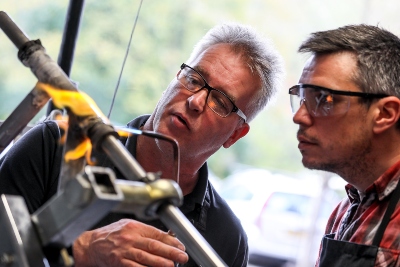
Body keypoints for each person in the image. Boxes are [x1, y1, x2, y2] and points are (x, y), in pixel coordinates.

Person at [0, 22, 284, 267]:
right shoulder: (54, 147)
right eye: (194, 79)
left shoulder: (226, 239)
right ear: (176, 76)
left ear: (235, 135)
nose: (195, 101)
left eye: (220, 102)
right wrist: (80, 252)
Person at [289, 24, 400, 266]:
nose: (299, 116)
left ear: (385, 114)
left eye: (324, 99)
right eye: (301, 98)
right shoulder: (346, 209)